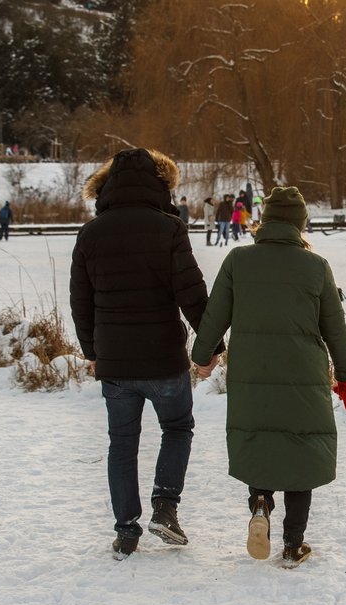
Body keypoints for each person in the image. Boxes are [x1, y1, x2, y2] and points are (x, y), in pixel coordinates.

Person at [189, 186, 346, 566]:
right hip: (303, 377)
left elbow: (214, 316)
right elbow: (335, 329)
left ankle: (261, 505)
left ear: (264, 221)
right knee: (301, 454)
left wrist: (202, 358)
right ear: (300, 225)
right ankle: (293, 544)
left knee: (260, 442)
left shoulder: (238, 260)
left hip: (252, 373)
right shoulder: (316, 267)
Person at [69, 147, 225, 559]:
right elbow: (191, 293)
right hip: (162, 357)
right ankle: (164, 506)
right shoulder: (169, 229)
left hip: (116, 362)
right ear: (161, 185)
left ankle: (125, 530)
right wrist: (210, 347)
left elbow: (80, 303)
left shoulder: (91, 233)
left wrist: (93, 351)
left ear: (105, 187)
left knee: (121, 443)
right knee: (177, 428)